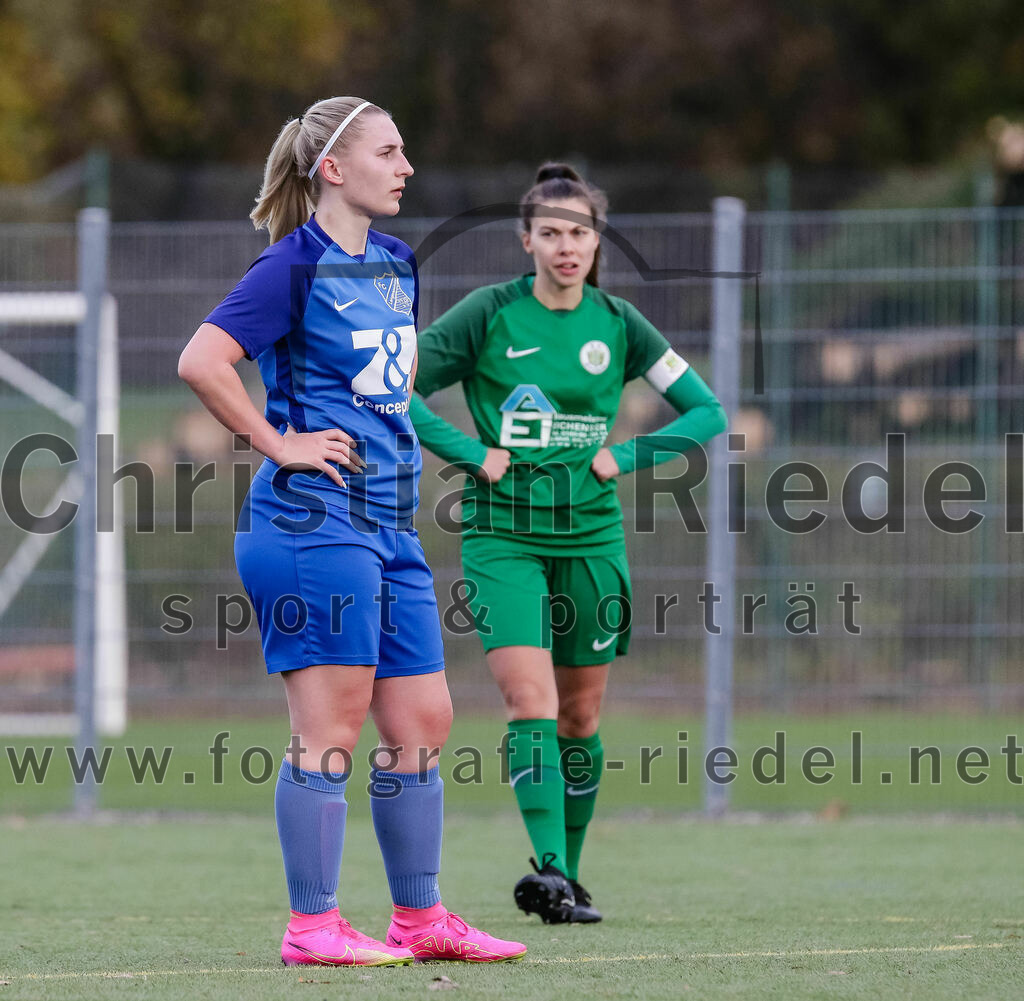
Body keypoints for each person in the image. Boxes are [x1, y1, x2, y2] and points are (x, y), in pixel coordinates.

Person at [177, 96, 525, 968]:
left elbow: (387, 388)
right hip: (310, 520)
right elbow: (202, 359)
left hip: (388, 524)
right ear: (333, 168)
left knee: (422, 720)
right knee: (329, 725)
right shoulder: (292, 266)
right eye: (390, 151)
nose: (407, 167)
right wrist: (276, 441)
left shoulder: (398, 263)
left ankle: (420, 920)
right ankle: (313, 926)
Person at [410, 163, 727, 924]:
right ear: (526, 240)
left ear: (597, 240)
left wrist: (625, 456)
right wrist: (468, 451)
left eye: (578, 232)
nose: (565, 245)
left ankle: (572, 875)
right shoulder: (490, 314)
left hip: (591, 535)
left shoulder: (619, 324)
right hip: (502, 535)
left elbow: (705, 410)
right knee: (531, 700)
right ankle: (547, 870)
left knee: (581, 716)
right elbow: (394, 386)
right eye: (549, 231)